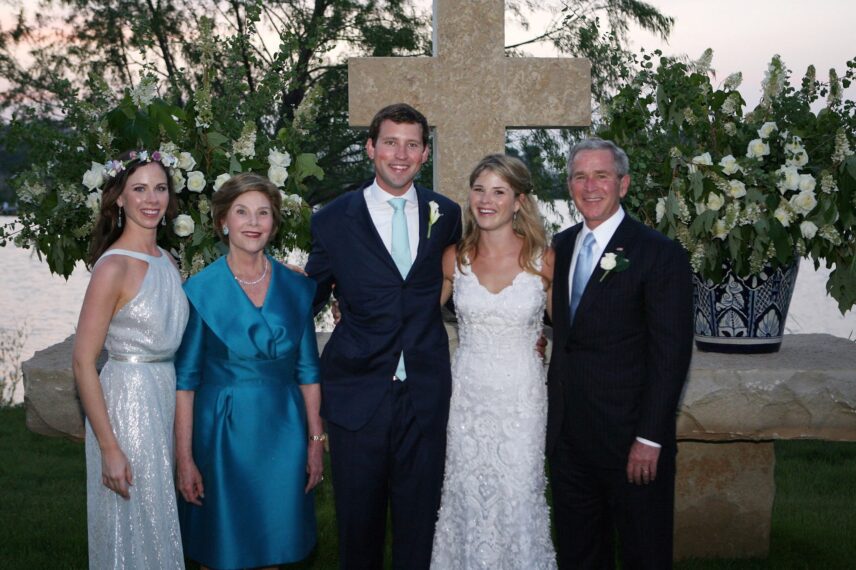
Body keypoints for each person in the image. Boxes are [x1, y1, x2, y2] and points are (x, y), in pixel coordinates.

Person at [305, 103, 462, 569]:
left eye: (412, 145)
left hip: (425, 395)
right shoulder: (333, 219)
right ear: (371, 147)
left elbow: (457, 288)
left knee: (421, 532)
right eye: (390, 142)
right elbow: (310, 297)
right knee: (359, 533)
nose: (401, 154)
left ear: (425, 153)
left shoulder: (446, 214)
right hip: (358, 393)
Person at [546, 138, 694, 569]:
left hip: (631, 440)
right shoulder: (561, 246)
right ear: (570, 185)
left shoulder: (659, 253)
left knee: (643, 554)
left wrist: (650, 437)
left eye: (602, 176)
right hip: (569, 440)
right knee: (578, 554)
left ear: (623, 184)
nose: (590, 186)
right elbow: (563, 328)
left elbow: (671, 355)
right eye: (580, 176)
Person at [174, 173, 323, 570]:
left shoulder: (296, 287)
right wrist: (184, 457)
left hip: (284, 431)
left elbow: (309, 371)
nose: (253, 222)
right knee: (220, 549)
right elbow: (185, 381)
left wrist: (315, 441)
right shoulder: (201, 290)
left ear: (274, 223)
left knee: (274, 546)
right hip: (221, 434)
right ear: (223, 221)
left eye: (263, 213)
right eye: (242, 212)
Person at [431, 154, 557, 569]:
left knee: (518, 495)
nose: (487, 200)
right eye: (479, 190)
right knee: (466, 494)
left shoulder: (544, 260)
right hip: (467, 400)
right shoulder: (454, 259)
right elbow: (412, 318)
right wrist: (351, 306)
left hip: (521, 402)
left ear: (518, 201)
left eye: (499, 191)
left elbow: (578, 331)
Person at [72, 150, 188, 569]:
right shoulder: (113, 268)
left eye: (160, 188)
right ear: (119, 198)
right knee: (135, 524)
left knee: (158, 519)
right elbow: (83, 361)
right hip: (127, 403)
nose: (151, 199)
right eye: (139, 189)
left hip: (163, 395)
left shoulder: (168, 261)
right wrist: (109, 447)